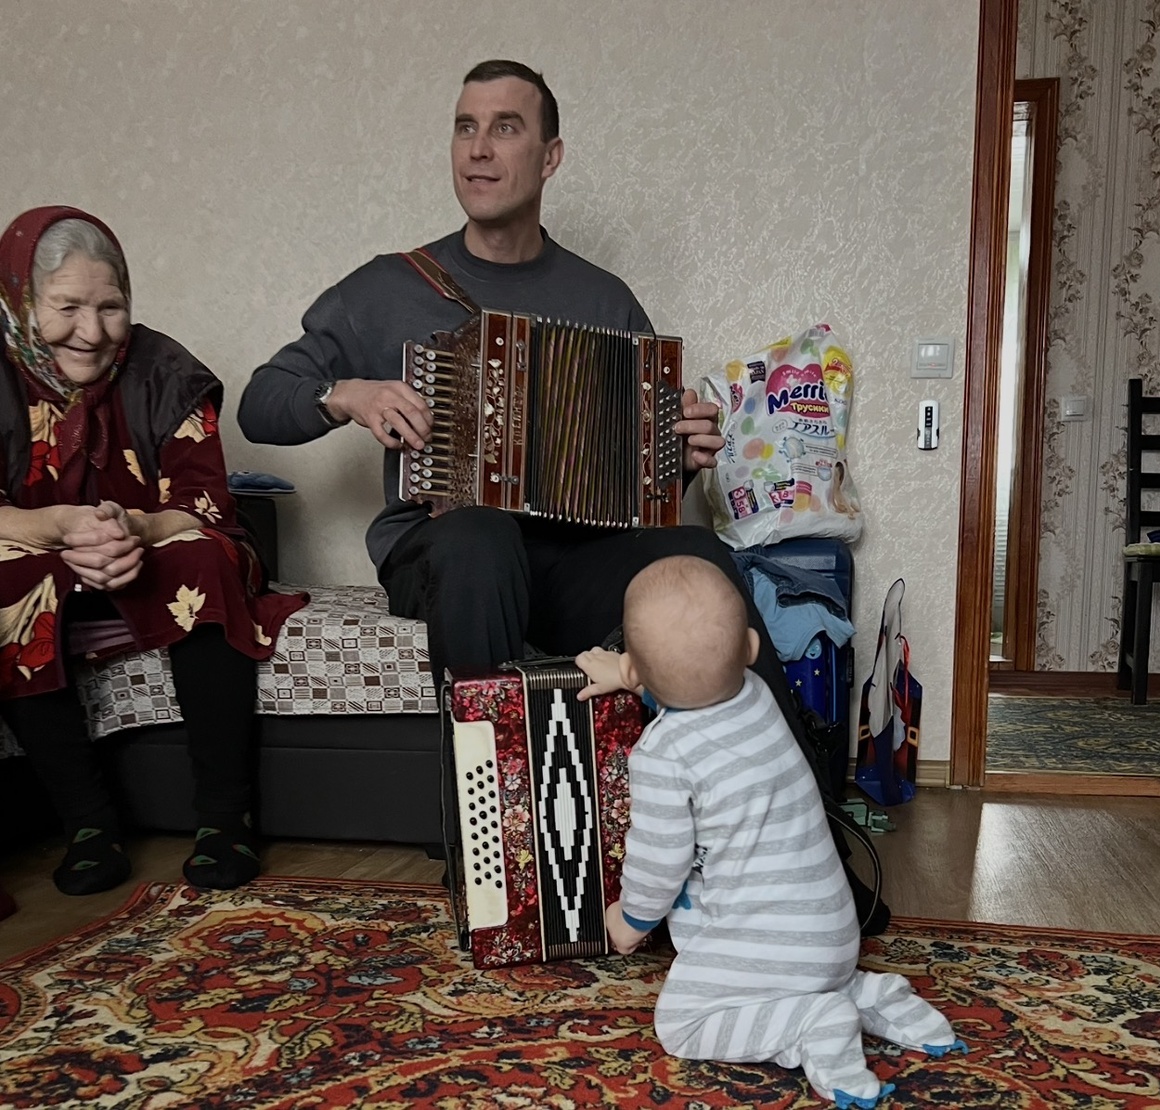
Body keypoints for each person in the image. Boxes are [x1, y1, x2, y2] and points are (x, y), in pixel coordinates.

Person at [238, 59, 888, 932]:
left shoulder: (602, 298)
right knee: (478, 534)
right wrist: (344, 393)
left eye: (505, 127)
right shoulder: (384, 288)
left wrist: (685, 451)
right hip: (447, 551)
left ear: (549, 157)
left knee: (697, 558)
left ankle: (809, 850)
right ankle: (488, 857)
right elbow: (259, 403)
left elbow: (646, 473)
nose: (478, 149)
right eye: (465, 127)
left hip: (570, 555)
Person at [575, 556, 963, 1109]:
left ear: (636, 672)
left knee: (681, 1023)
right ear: (752, 650)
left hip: (763, 948)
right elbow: (700, 689)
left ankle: (811, 1021)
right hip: (832, 935)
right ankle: (870, 994)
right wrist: (635, 678)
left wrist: (630, 919)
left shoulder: (661, 755)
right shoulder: (756, 692)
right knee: (812, 976)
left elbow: (659, 859)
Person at [0, 206, 308, 896]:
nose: (92, 330)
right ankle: (87, 825)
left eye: (110, 306)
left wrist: (131, 530)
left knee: (208, 558)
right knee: (10, 583)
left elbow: (204, 506)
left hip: (149, 541)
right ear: (20, 303)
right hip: (44, 552)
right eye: (67, 307)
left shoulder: (165, 370)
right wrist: (62, 529)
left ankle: (224, 820)